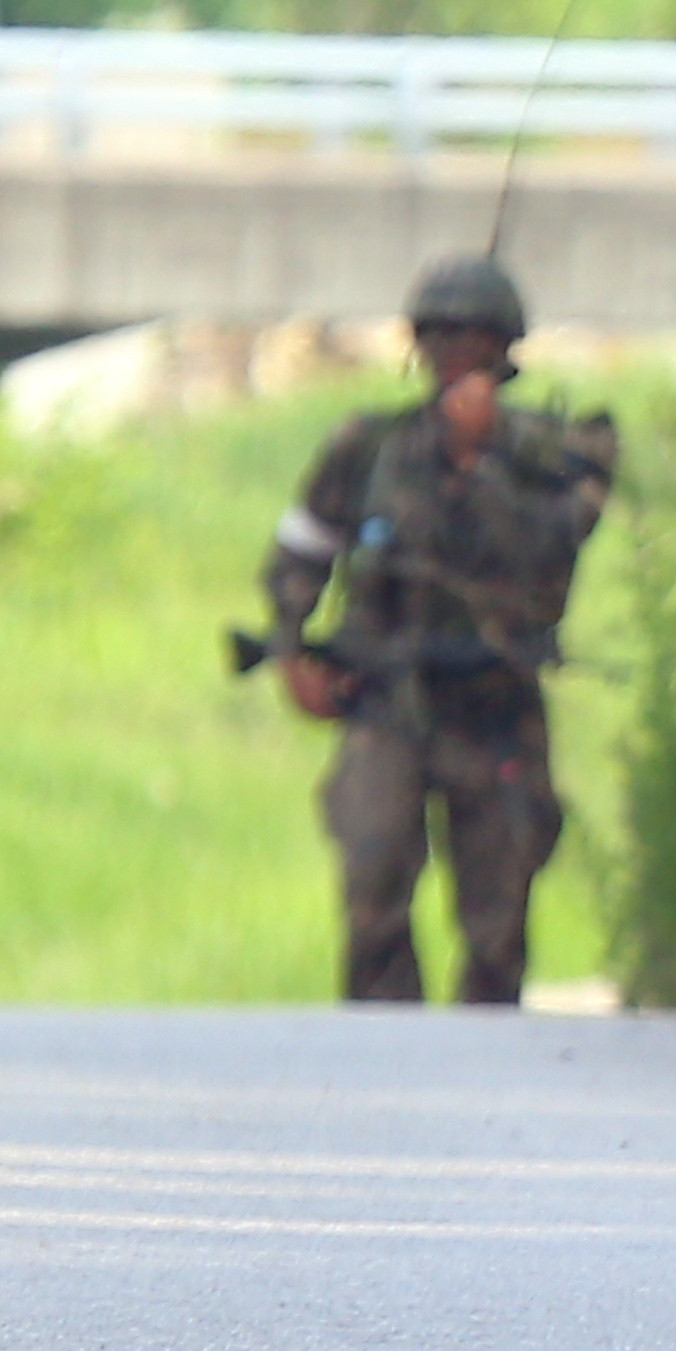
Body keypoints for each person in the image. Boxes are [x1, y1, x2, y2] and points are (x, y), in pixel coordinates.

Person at [262, 256, 616, 1006]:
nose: (455, 351)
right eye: (440, 334)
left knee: (498, 910)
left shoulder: (558, 452)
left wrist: (476, 460)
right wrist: (290, 648)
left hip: (495, 705)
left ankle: (481, 1063)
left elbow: (550, 545)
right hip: (387, 698)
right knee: (372, 875)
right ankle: (385, 1050)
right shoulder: (371, 447)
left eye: (473, 335)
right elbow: (303, 549)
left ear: (503, 346)